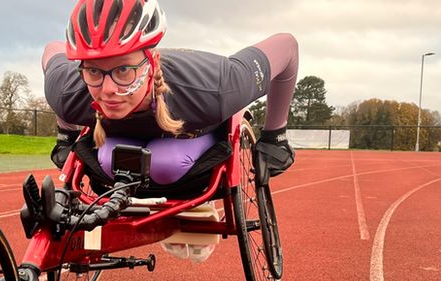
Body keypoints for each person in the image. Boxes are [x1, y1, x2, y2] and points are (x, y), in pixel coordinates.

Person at [42, 0, 298, 184]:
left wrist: (275, 136)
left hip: (190, 126)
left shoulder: (217, 86)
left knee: (166, 163)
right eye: (94, 72)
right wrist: (66, 135)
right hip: (119, 143)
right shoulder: (68, 93)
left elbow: (286, 46)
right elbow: (53, 48)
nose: (108, 91)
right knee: (109, 160)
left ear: (152, 64)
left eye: (123, 71)